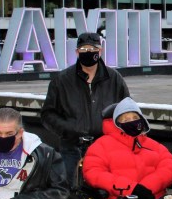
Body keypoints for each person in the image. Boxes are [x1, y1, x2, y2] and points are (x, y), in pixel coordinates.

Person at [40, 32, 130, 185]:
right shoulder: (62, 80)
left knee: (104, 187)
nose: (88, 53)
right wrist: (69, 129)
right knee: (72, 188)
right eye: (83, 50)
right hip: (71, 147)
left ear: (100, 51)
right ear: (76, 52)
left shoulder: (114, 78)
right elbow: (48, 114)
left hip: (105, 147)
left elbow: (127, 111)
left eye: (92, 49)